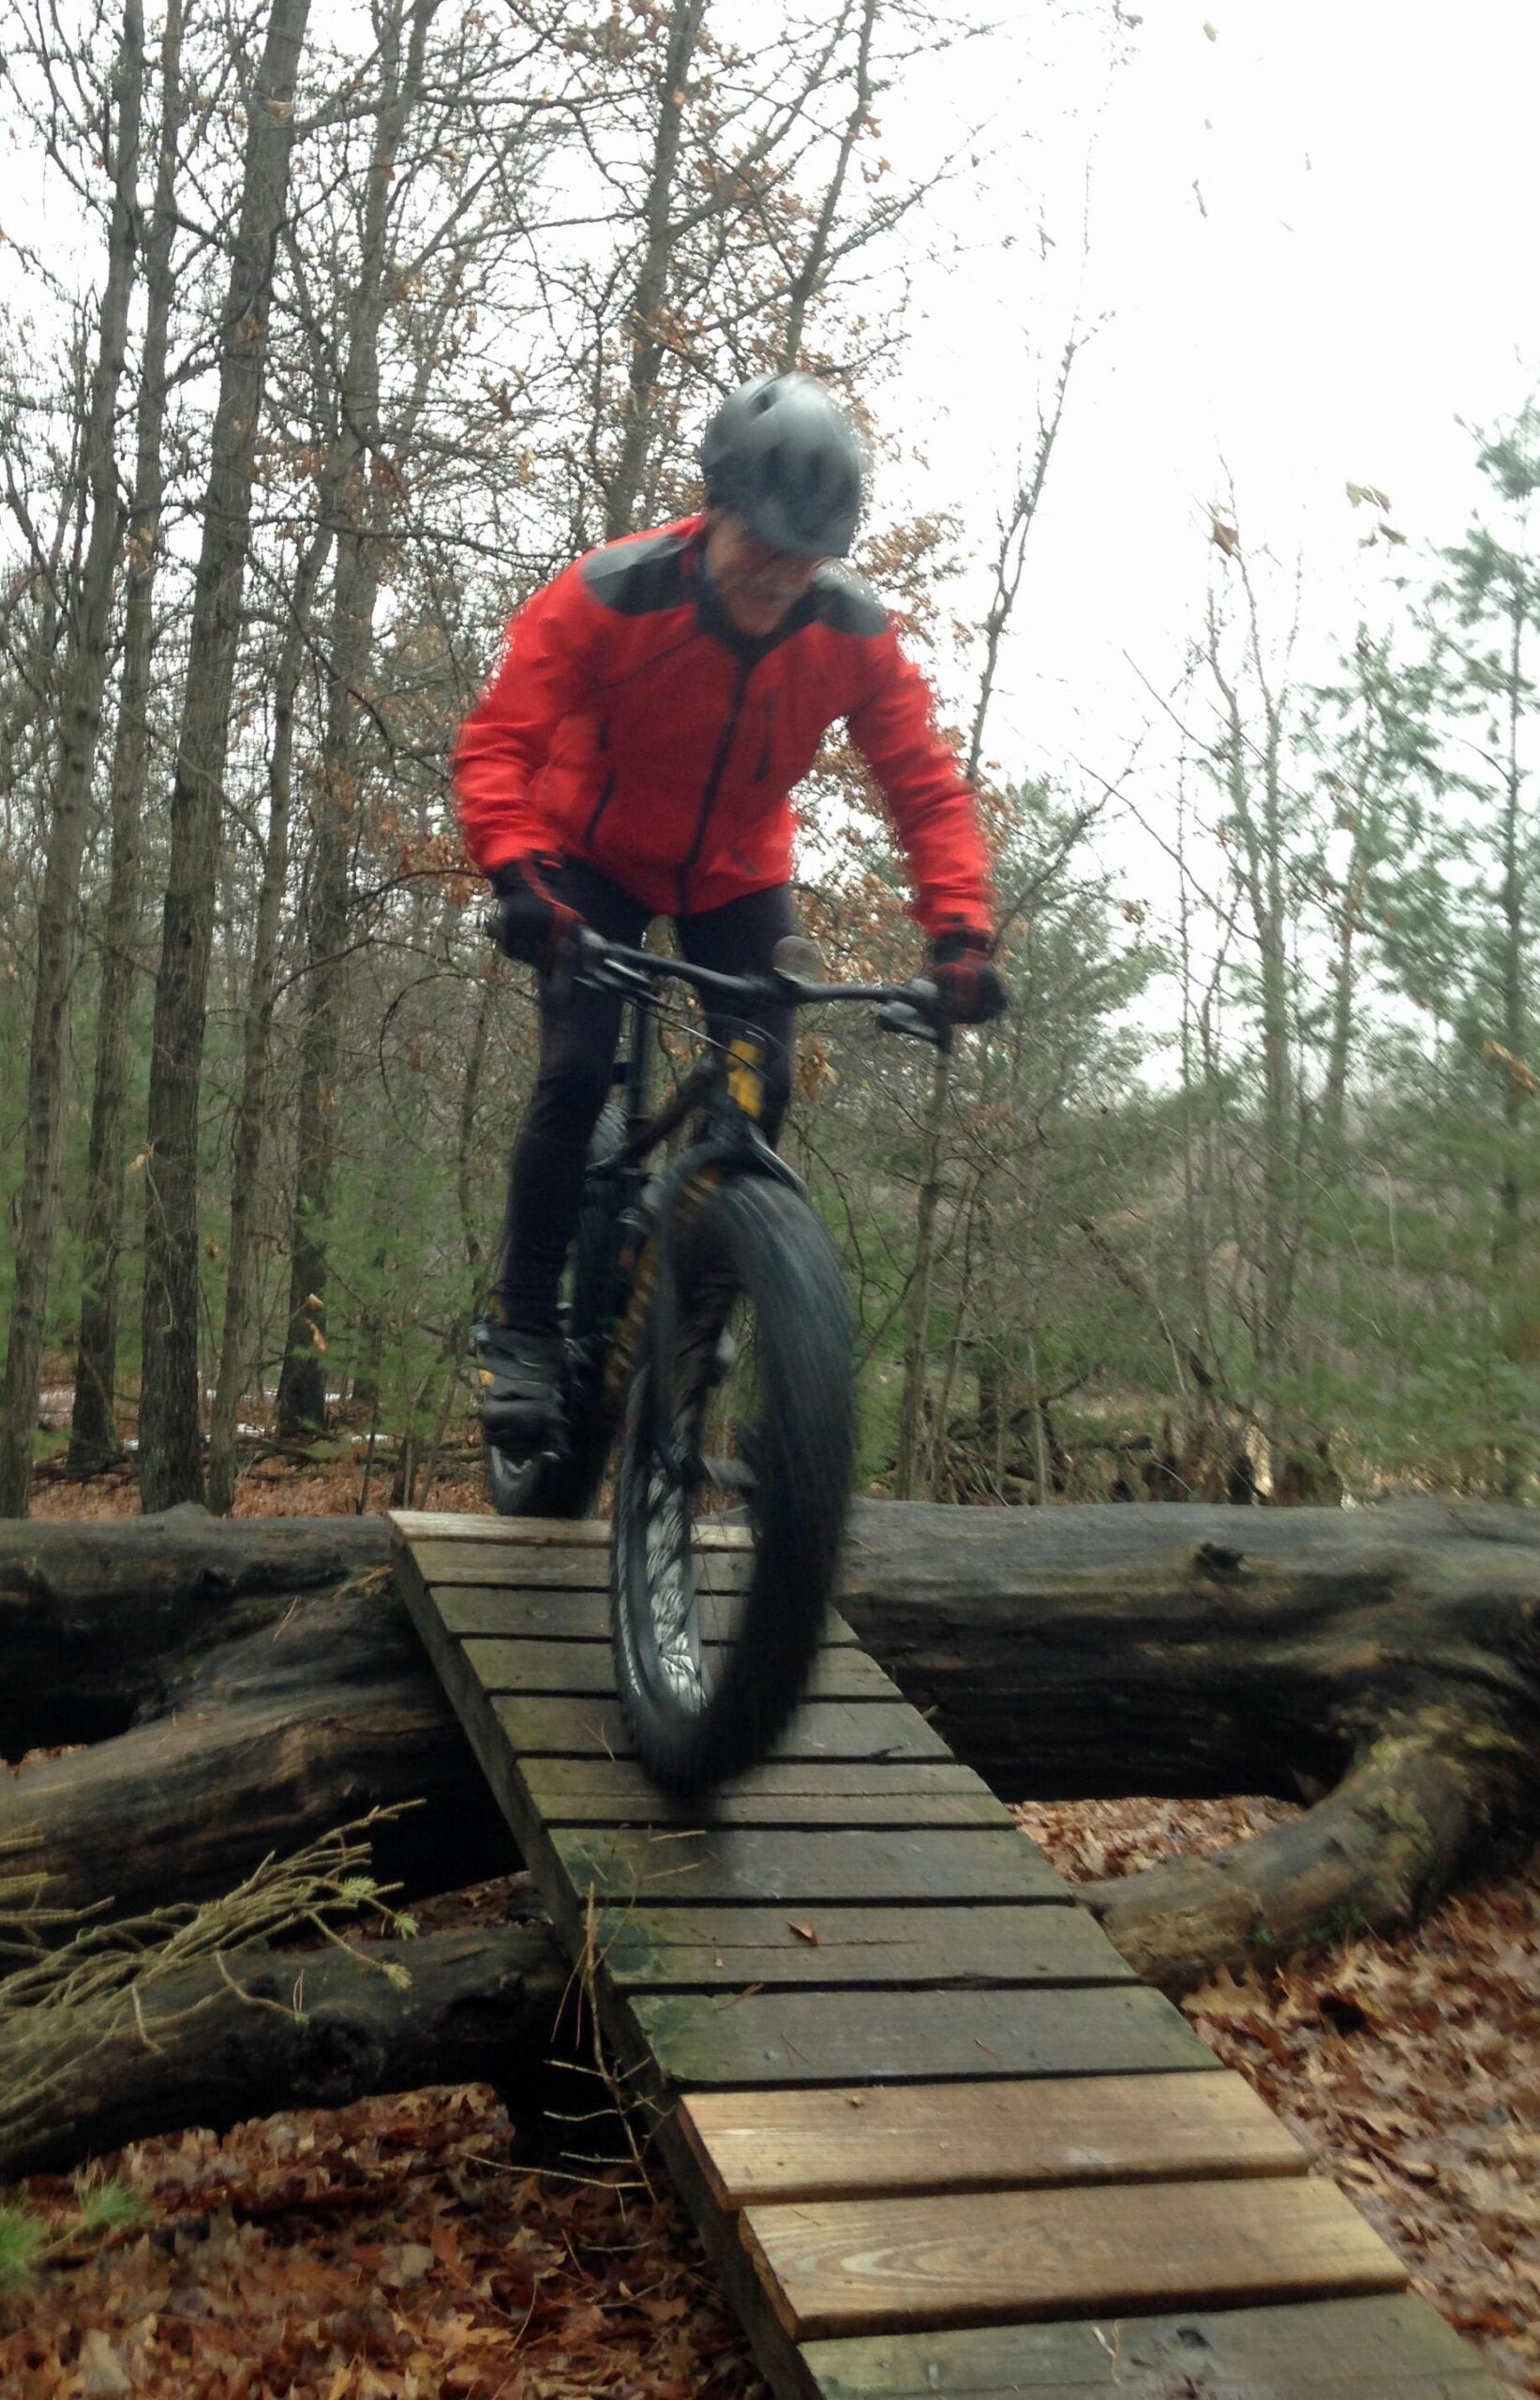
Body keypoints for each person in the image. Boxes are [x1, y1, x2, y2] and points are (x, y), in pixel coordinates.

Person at [453, 370, 1008, 1443]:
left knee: (766, 1077)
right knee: (574, 1070)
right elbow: (501, 738)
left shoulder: (848, 632)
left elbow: (921, 780)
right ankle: (522, 1323)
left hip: (732, 870)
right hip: (586, 854)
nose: (777, 578)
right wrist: (518, 875)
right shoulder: (614, 592)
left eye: (804, 559)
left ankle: (704, 1301)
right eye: (760, 546)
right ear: (713, 511)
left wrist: (956, 935)